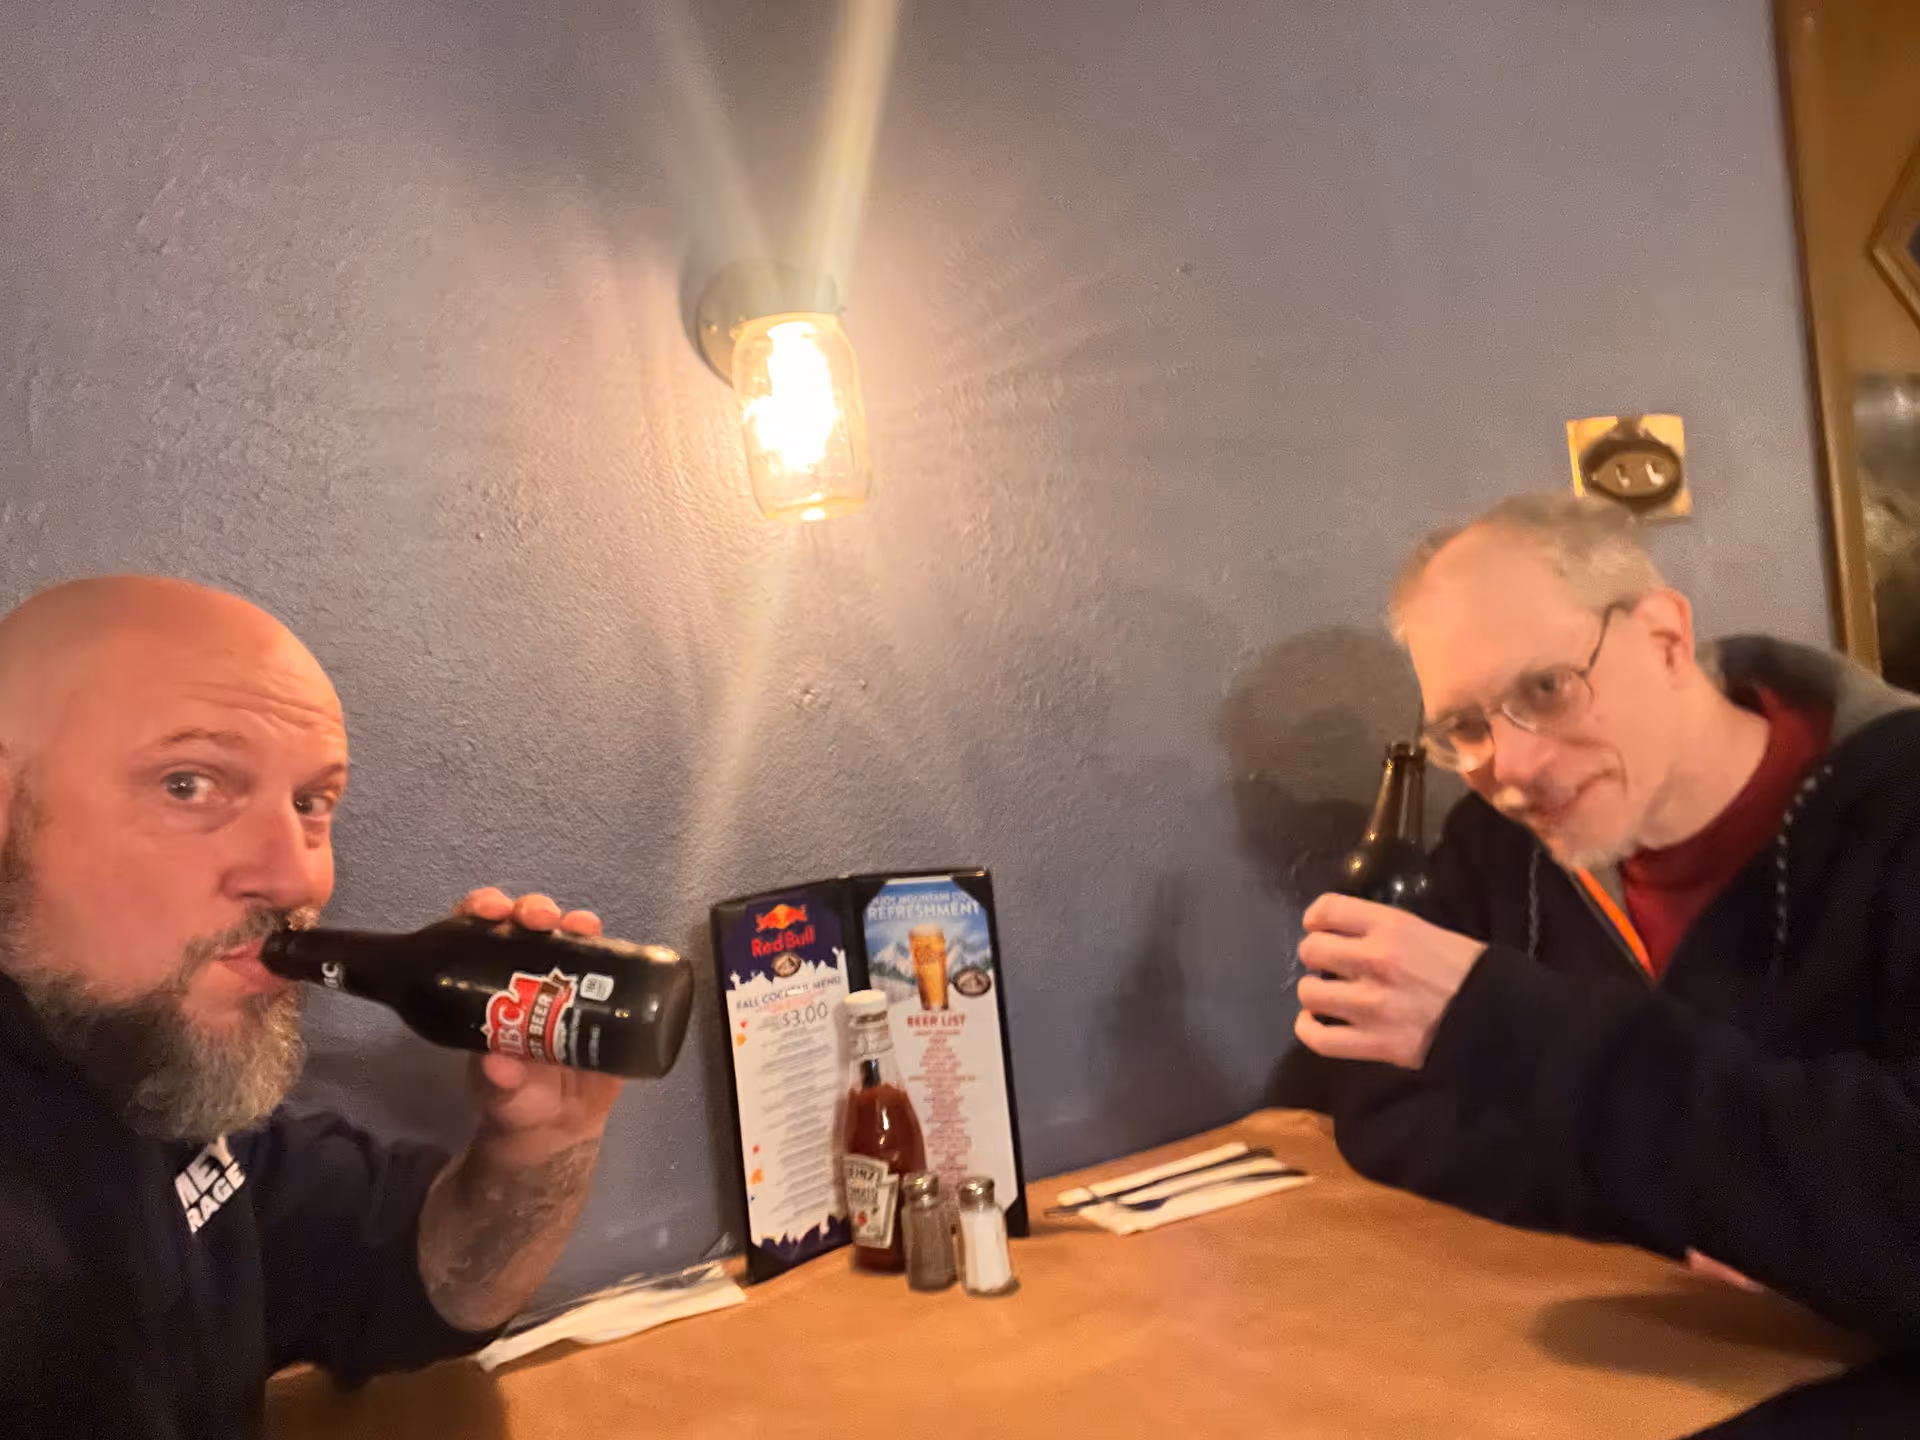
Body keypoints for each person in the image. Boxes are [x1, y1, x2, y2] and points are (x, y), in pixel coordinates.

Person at [0, 575, 623, 1435]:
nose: (297, 877)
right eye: (189, 784)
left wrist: (549, 1138)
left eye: (311, 803)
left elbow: (421, 1285)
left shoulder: (151, 1070)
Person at [1294, 492, 1920, 1349]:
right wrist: (1702, 1205)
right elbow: (1381, 1108)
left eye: (1548, 689)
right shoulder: (1494, 842)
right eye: (1464, 728)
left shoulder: (1896, 811)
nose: (1511, 768)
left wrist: (1513, 1033)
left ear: (1664, 637)